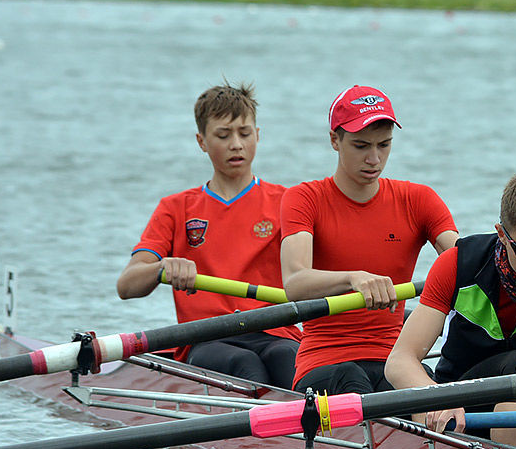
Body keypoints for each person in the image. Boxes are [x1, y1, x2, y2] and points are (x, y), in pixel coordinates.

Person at [116, 82, 301, 389]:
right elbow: (127, 286)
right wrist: (161, 268)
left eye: (244, 133)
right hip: (206, 339)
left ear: (258, 135)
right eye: (223, 135)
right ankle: (262, 433)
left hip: (276, 333)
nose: (236, 144)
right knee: (245, 365)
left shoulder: (288, 203)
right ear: (202, 141)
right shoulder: (176, 208)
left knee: (287, 358)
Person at [385, 172, 516, 449]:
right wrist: (437, 397)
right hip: (459, 405)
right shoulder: (458, 263)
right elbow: (399, 361)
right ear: (502, 234)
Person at [280, 85, 459, 395]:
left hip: (394, 359)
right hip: (324, 361)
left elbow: (465, 259)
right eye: (361, 146)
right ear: (334, 140)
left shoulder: (419, 200)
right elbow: (294, 281)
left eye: (384, 145)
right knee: (352, 379)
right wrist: (353, 279)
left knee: (427, 389)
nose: (374, 159)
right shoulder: (304, 199)